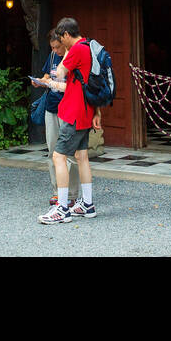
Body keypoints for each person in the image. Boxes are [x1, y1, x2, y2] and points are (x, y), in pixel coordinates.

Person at [34, 17, 99, 223]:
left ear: (66, 35)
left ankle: (62, 208)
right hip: (84, 110)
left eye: (61, 40)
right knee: (82, 156)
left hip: (73, 111)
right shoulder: (89, 47)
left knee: (59, 156)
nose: (58, 47)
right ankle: (87, 205)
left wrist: (64, 60)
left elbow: (61, 74)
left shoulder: (77, 49)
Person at [32, 28, 80, 207]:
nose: (55, 51)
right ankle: (56, 191)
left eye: (57, 47)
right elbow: (46, 74)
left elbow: (75, 85)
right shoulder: (52, 57)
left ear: (64, 42)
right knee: (52, 151)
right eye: (52, 47)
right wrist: (40, 80)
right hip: (51, 106)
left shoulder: (72, 56)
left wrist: (51, 82)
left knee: (69, 153)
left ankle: (72, 193)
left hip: (67, 107)